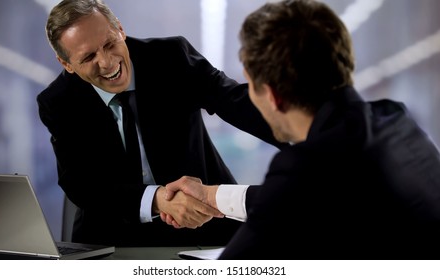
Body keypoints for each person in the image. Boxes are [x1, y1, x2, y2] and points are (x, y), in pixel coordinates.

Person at [164, 0, 440, 259]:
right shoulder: (395, 120)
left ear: (272, 96)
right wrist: (211, 196)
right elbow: (303, 197)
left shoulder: (304, 167)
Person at [36, 0, 280, 247]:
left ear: (120, 29)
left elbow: (236, 102)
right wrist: (157, 199)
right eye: (89, 57)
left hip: (206, 221)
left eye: (110, 44)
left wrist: (307, 136)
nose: (107, 62)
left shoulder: (171, 57)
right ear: (66, 64)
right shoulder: (58, 102)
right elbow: (81, 183)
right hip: (113, 234)